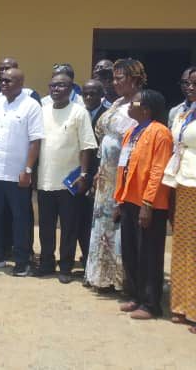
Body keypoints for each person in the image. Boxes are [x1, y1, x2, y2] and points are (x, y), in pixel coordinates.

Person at [85, 59, 146, 291]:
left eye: (120, 78)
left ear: (134, 79)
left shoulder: (141, 103)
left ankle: (122, 279)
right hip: (106, 176)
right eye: (114, 78)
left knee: (120, 226)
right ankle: (102, 276)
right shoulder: (118, 102)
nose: (115, 83)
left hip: (125, 175)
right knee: (103, 225)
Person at [115, 90, 172, 319]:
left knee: (149, 254)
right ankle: (136, 296)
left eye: (135, 102)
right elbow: (124, 166)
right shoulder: (132, 131)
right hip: (128, 200)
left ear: (146, 109)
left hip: (149, 204)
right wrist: (119, 198)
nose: (130, 105)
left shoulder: (160, 133)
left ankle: (150, 304)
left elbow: (158, 171)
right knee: (131, 252)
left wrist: (148, 203)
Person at [36, 72, 97, 283]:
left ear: (71, 89)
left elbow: (87, 146)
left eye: (61, 85)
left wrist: (84, 174)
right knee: (46, 226)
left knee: (69, 227)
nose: (56, 89)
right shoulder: (42, 111)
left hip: (69, 182)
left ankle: (65, 267)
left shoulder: (79, 112)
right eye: (53, 85)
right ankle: (46, 263)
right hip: (45, 179)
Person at [0, 68, 43, 275]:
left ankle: (22, 259)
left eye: (8, 81)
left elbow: (35, 141)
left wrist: (28, 169)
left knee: (20, 219)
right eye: (2, 80)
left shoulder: (31, 105)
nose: (3, 84)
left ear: (20, 83)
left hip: (17, 174)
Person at [163, 68, 196, 333]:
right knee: (184, 245)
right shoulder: (184, 113)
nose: (191, 87)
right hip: (183, 182)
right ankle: (183, 304)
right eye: (189, 83)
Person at [77, 79, 108, 268]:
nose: (88, 97)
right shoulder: (78, 113)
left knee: (95, 220)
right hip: (78, 175)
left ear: (101, 95)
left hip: (100, 175)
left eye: (93, 93)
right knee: (80, 219)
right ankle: (86, 256)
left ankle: (96, 260)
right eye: (85, 94)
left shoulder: (107, 116)